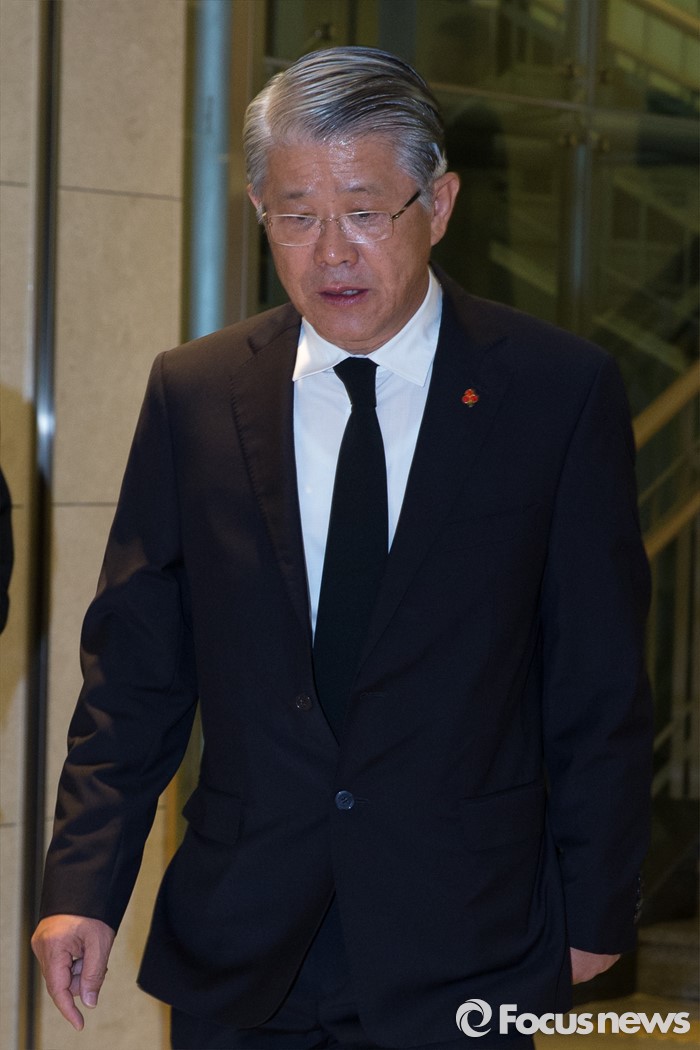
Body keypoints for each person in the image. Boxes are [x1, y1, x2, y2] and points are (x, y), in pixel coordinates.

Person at [32, 47, 653, 1050]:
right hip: (243, 943)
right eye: (296, 216)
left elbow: (598, 679)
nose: (330, 254)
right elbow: (135, 672)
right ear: (257, 210)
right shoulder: (198, 393)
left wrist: (596, 906)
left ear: (438, 204)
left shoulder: (555, 394)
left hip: (467, 935)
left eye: (364, 213)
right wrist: (82, 886)